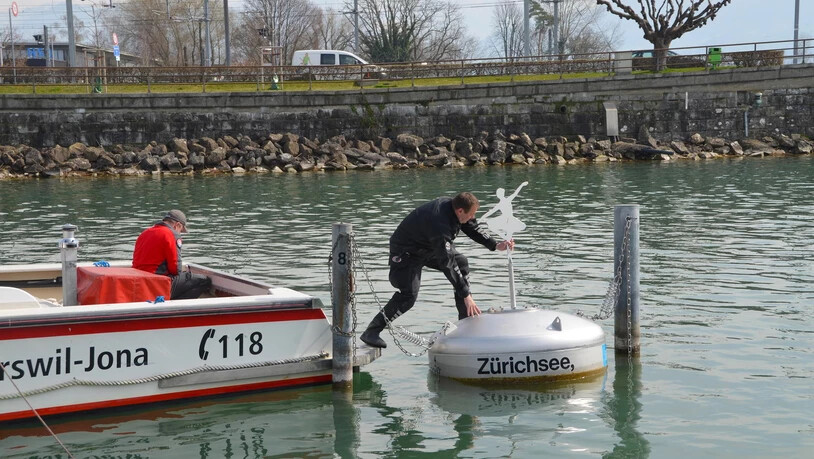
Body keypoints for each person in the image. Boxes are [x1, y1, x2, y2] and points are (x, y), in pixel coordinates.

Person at [360, 192, 514, 349]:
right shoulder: (440, 223)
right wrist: (466, 295)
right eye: (471, 214)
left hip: (428, 246)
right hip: (407, 252)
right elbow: (447, 262)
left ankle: (465, 323)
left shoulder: (457, 209)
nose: (472, 217)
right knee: (409, 295)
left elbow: (471, 226)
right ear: (460, 211)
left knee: (461, 263)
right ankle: (372, 331)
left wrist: (495, 245)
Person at [132, 209, 212, 300]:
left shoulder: (144, 233)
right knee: (203, 281)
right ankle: (176, 306)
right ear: (177, 225)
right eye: (181, 230)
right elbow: (176, 269)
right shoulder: (172, 234)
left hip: (140, 281)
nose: (180, 233)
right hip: (158, 282)